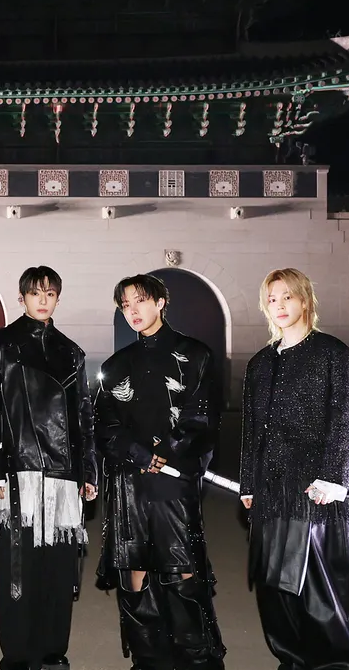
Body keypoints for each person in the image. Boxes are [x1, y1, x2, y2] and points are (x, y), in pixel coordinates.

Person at [95, 273, 226, 670]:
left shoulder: (195, 355)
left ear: (160, 302)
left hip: (174, 479)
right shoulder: (116, 365)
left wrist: (167, 452)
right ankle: (148, 659)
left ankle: (196, 658)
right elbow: (103, 424)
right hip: (129, 482)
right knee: (134, 570)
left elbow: (204, 417)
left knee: (182, 567)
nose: (133, 310)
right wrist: (136, 453)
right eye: (125, 305)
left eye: (140, 301)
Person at [0, 266, 97, 670]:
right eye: (35, 293)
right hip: (19, 472)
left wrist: (89, 471)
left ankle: (52, 649)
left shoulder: (71, 351)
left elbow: (84, 417)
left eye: (50, 293)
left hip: (64, 475)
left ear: (58, 297)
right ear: (22, 297)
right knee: (19, 569)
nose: (42, 300)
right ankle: (18, 654)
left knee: (58, 569)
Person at [239, 268, 349, 670]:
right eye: (271, 299)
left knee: (318, 588)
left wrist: (334, 478)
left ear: (305, 300)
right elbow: (251, 429)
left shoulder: (333, 354)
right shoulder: (259, 363)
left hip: (314, 489)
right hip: (269, 491)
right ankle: (290, 661)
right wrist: (248, 483)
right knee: (274, 587)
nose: (278, 306)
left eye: (287, 297)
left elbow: (345, 419)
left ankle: (332, 665)